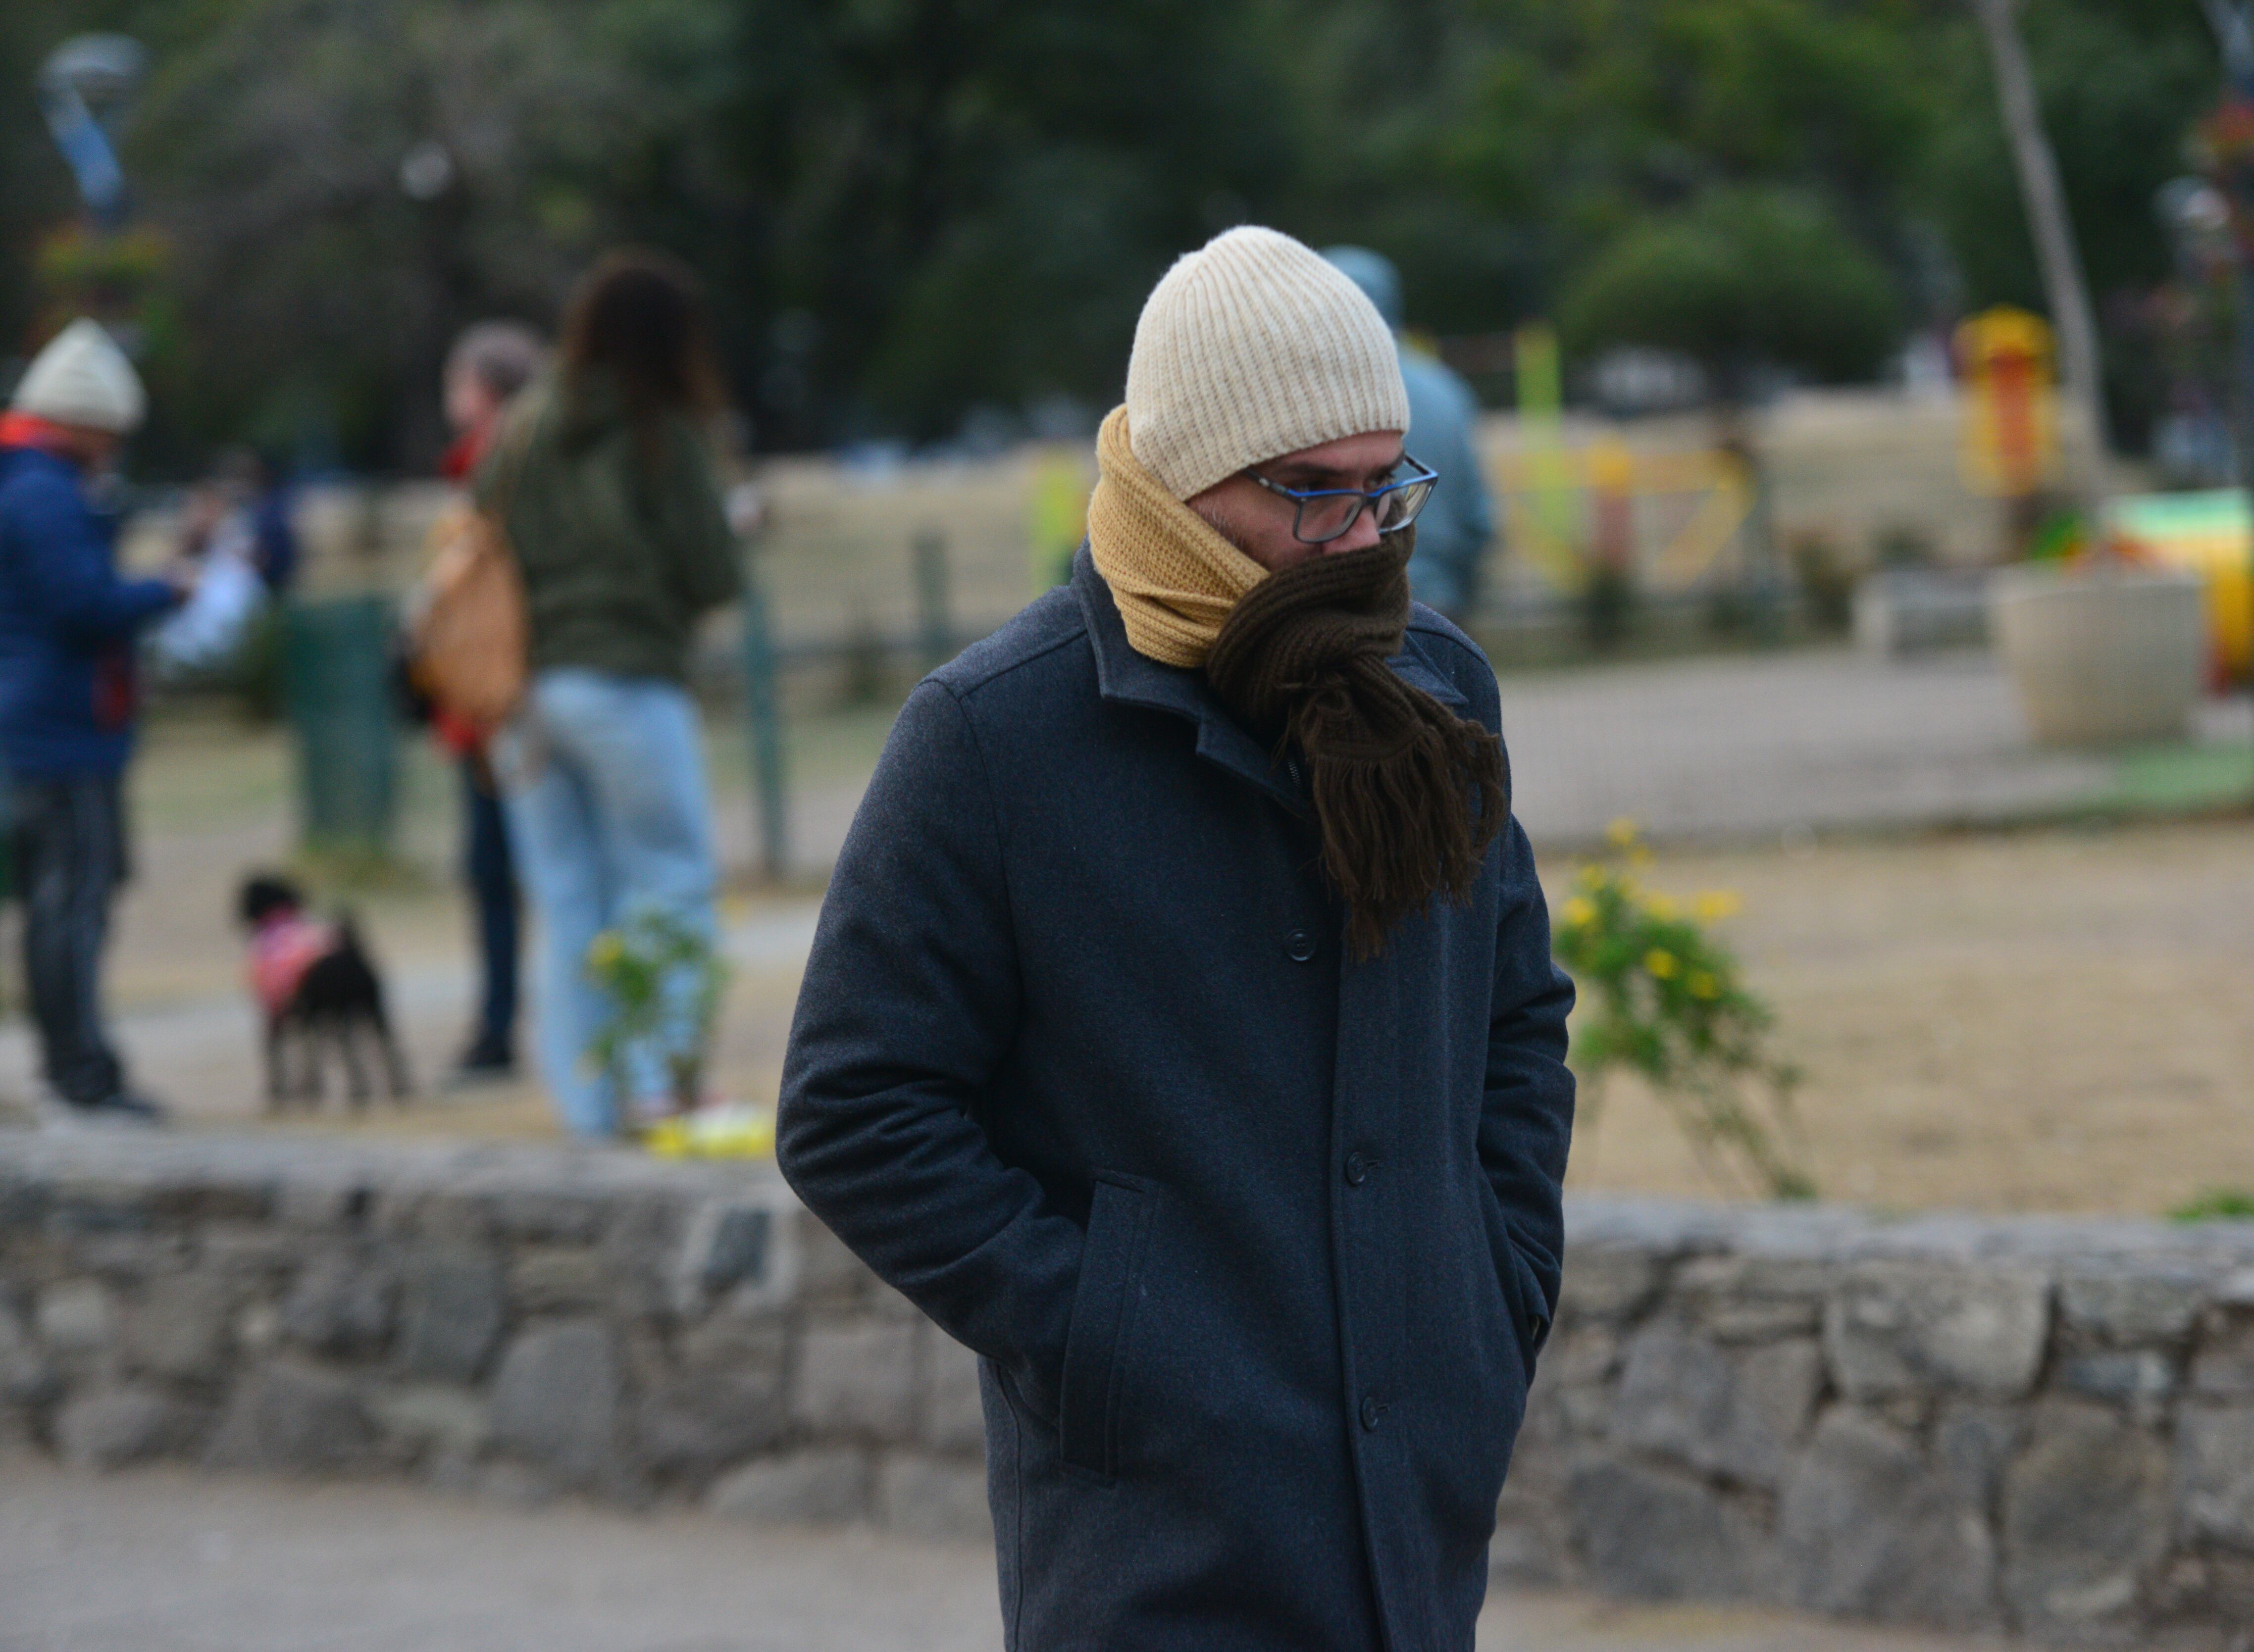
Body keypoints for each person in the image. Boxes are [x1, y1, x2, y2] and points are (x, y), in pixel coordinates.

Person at [776, 226, 1573, 1648]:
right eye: (1309, 494)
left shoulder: (1437, 688)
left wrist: (1491, 1290)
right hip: (1155, 1538)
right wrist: (1111, 1339)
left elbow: (1518, 1015)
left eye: (1389, 485)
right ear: (1182, 483)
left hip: (1415, 1497)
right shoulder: (991, 739)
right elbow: (854, 1105)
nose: (1362, 537)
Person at [481, 254, 740, 1137]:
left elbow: (480, 536)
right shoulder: (659, 427)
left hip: (522, 696)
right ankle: (662, 1082)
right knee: (670, 880)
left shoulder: (525, 423)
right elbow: (713, 570)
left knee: (567, 901)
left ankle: (591, 1111)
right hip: (626, 677)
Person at [0, 319, 193, 1121]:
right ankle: (80, 1076)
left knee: (65, 905)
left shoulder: (35, 483)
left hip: (48, 726)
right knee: (69, 907)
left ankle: (77, 1066)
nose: (116, 447)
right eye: (111, 431)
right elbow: (80, 606)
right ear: (82, 421)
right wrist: (165, 591)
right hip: (58, 734)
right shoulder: (42, 491)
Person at [434, 320, 545, 1083]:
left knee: (510, 875)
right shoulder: (516, 467)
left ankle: (500, 1030)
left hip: (500, 703)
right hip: (498, 701)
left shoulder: (495, 472)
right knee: (513, 874)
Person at [1322, 244, 1499, 624]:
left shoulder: (1314, 395)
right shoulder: (1447, 389)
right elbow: (1478, 518)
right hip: (1442, 605)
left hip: (1346, 609)